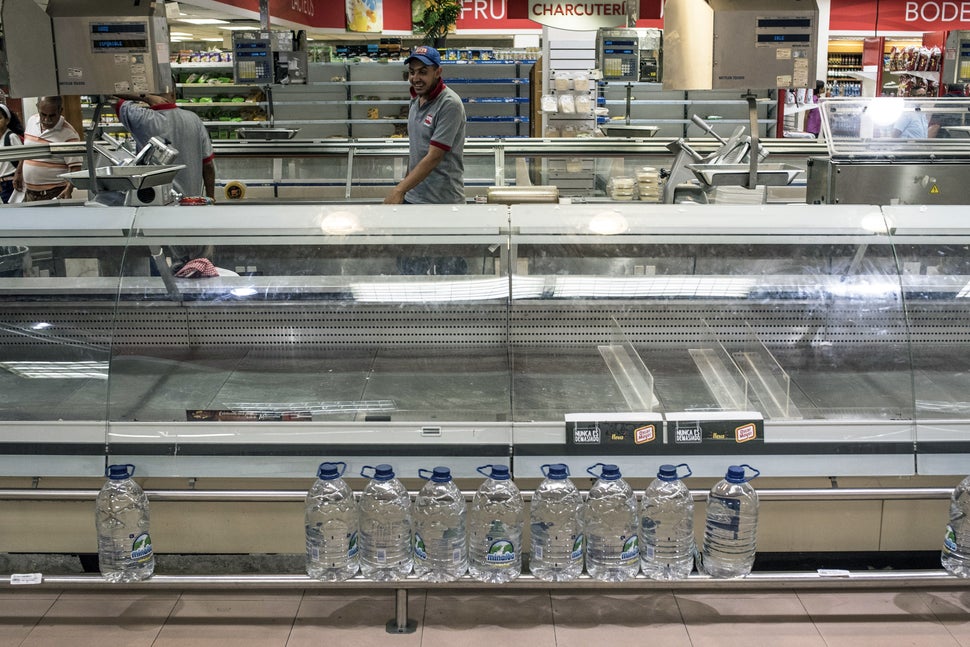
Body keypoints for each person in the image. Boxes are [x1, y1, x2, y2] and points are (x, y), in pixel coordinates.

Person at [384, 45, 466, 205]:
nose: (415, 78)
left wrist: (398, 190)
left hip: (441, 201)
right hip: (413, 196)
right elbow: (416, 150)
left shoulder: (449, 104)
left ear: (437, 72)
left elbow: (434, 156)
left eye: (423, 72)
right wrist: (405, 188)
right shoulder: (415, 101)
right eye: (412, 72)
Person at [113, 92, 215, 199]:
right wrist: (211, 198)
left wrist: (145, 97)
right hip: (190, 202)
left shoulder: (141, 118)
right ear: (173, 94)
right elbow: (208, 165)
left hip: (154, 203)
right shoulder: (194, 119)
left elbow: (111, 94)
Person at [13, 96, 82, 202]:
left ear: (60, 111)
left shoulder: (69, 134)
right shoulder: (31, 121)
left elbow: (75, 169)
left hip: (54, 194)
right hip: (29, 193)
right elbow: (27, 151)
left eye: (52, 115)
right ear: (37, 108)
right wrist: (18, 173)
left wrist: (69, 189)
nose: (47, 120)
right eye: (43, 114)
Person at [0, 104, 25, 203]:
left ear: (7, 120)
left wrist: (18, 175)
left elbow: (23, 157)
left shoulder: (11, 137)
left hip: (12, 183)